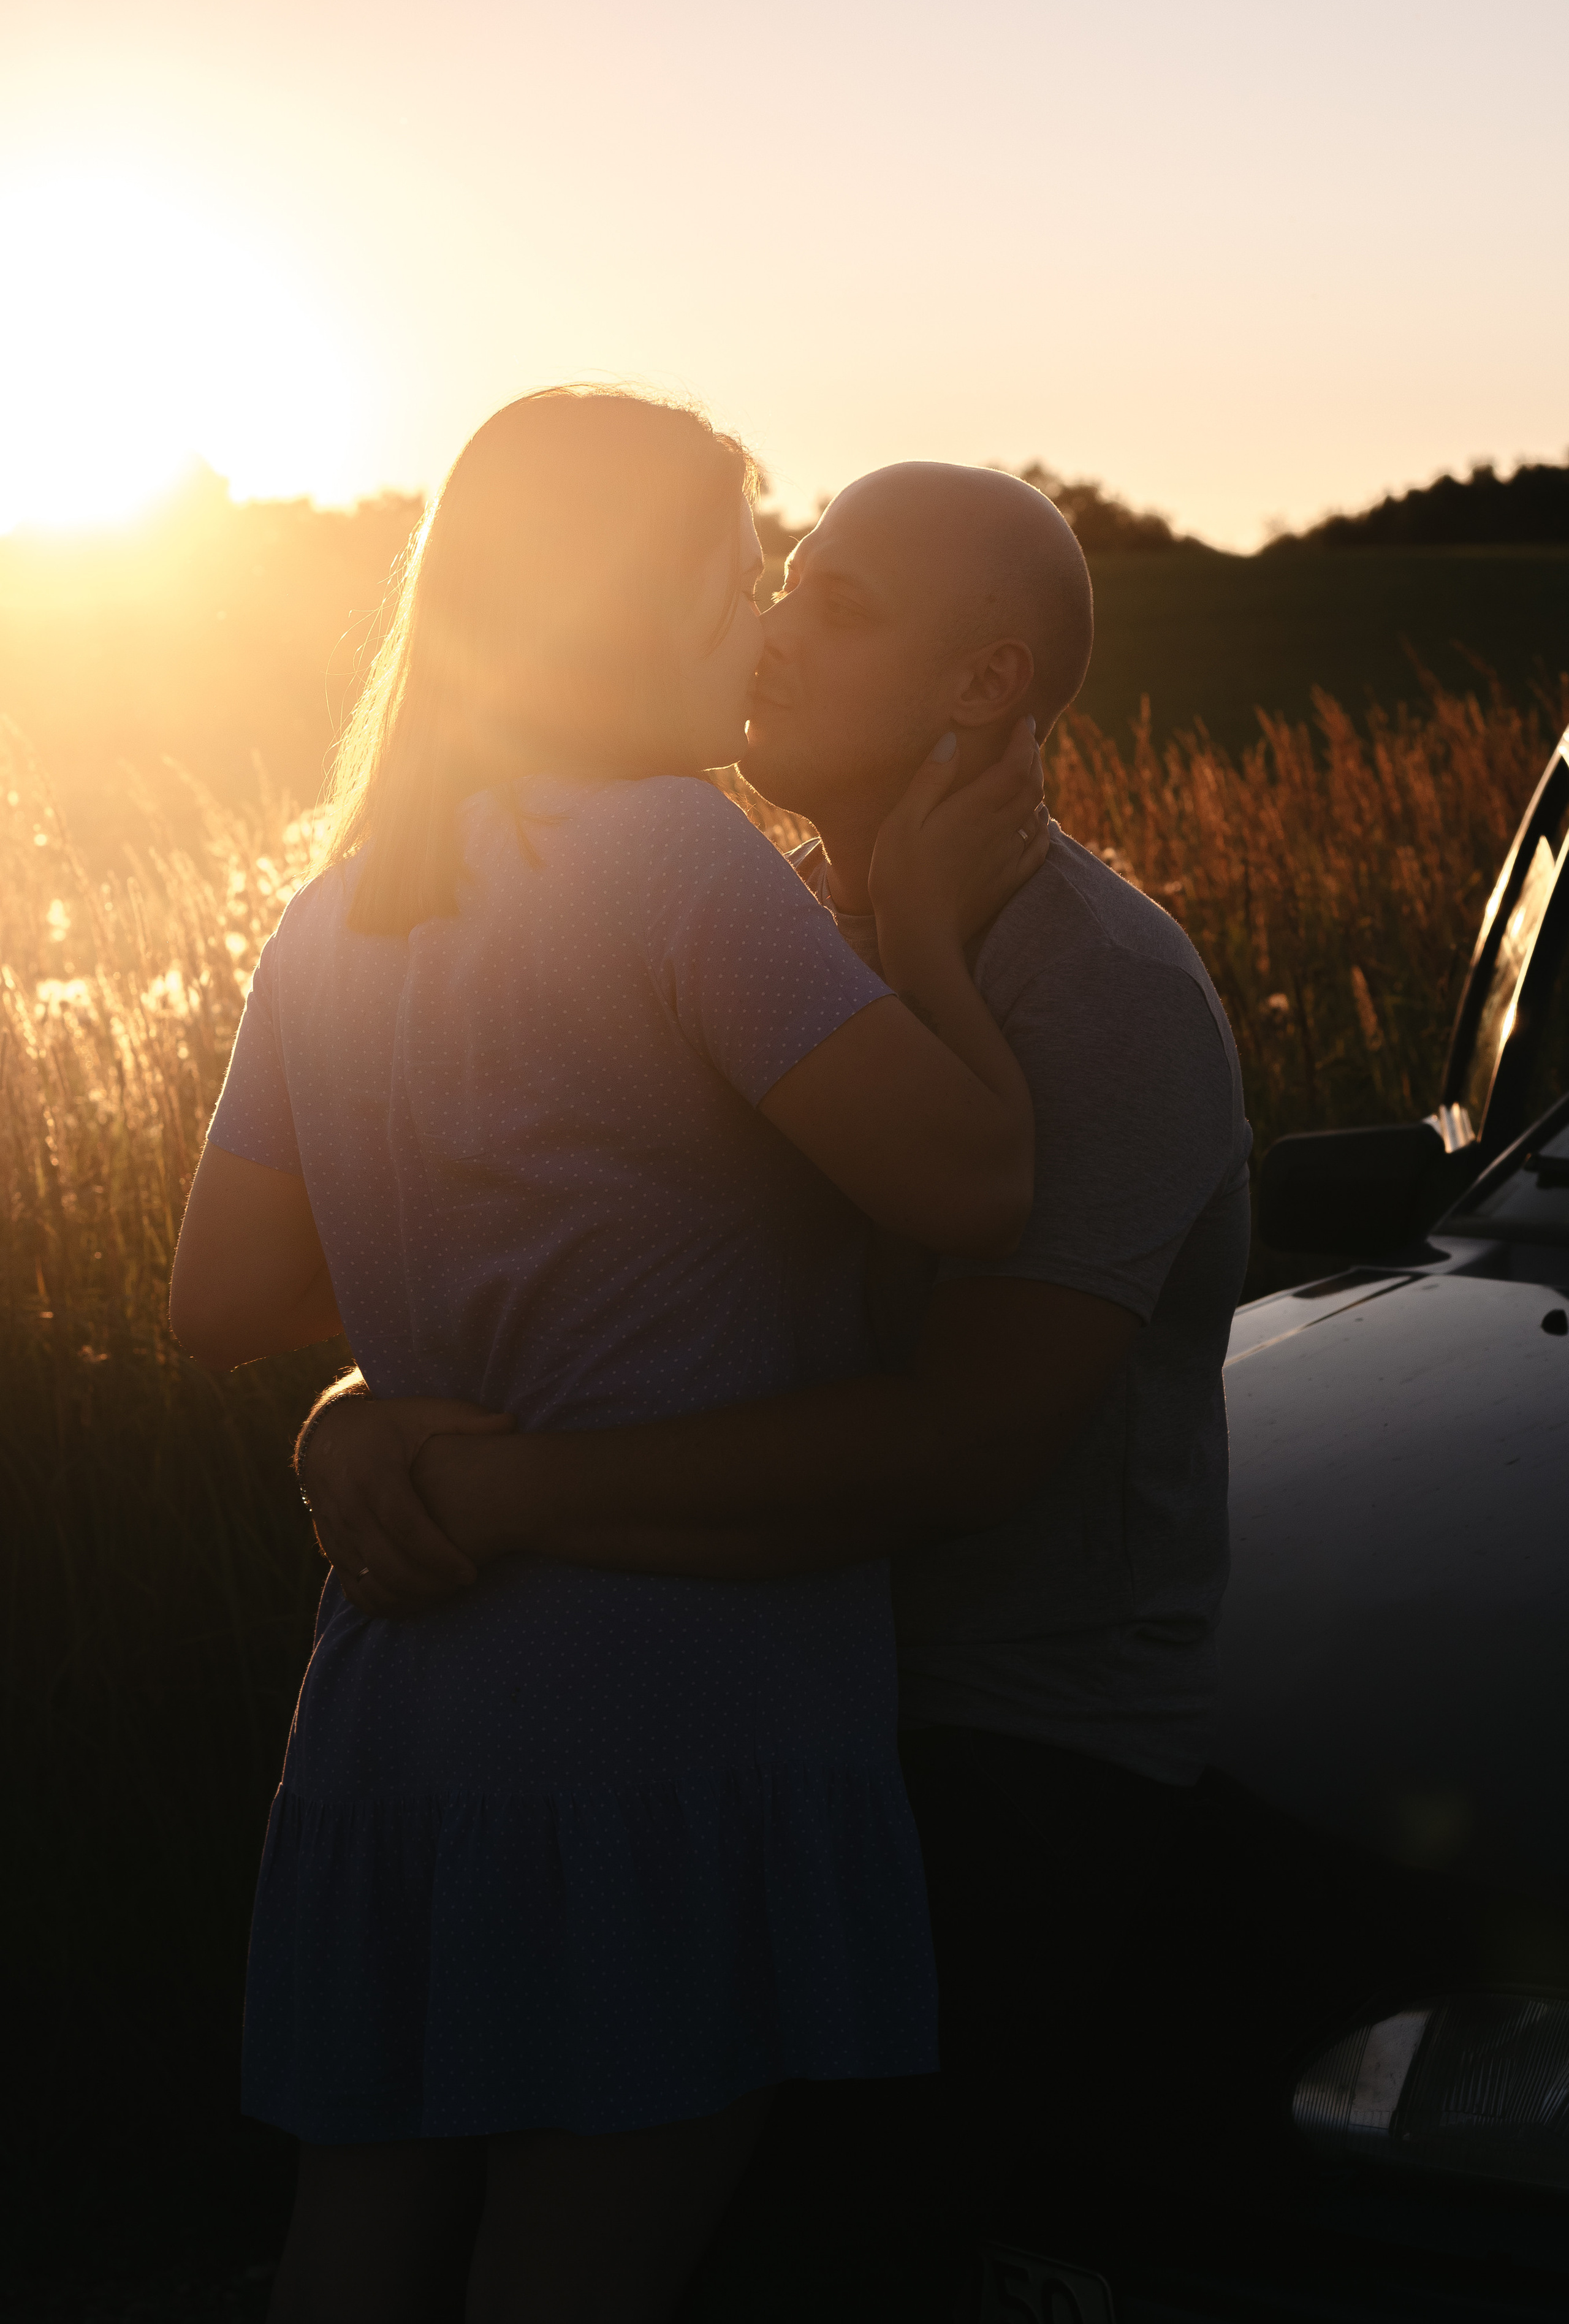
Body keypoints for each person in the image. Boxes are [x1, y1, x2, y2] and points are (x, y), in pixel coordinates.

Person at [297, 458, 1252, 2310]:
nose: (774, 628)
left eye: (842, 607)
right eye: (783, 580)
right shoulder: (751, 919)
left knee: (755, 2257)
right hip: (741, 1688)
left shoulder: (1104, 990)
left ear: (985, 687)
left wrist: (494, 1494)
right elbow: (585, 1267)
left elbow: (963, 1447)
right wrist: (355, 1403)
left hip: (993, 1743)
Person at [168, 397, 1055, 2324]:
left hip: (395, 1720)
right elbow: (977, 1181)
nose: (760, 621)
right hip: (664, 1715)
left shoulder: (335, 916)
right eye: (738, 573)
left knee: (352, 2265)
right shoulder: (679, 863)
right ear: (622, 608)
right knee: (581, 2280)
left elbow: (221, 1295)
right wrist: (922, 928)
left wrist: (438, 1305)